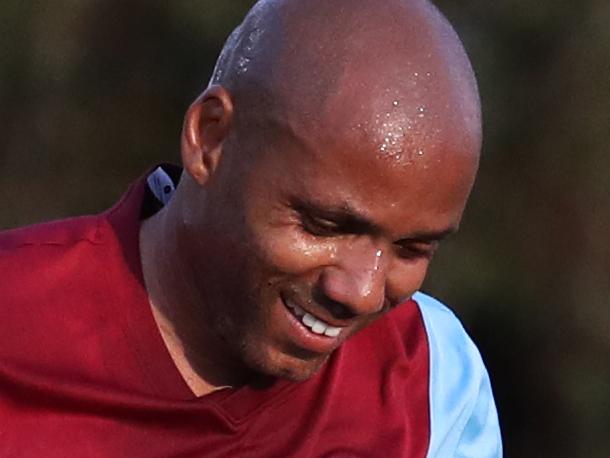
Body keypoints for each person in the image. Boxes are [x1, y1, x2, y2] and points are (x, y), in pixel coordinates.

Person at [0, 0, 502, 456]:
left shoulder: (431, 380)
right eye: (324, 225)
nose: (363, 292)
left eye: (412, 249)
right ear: (210, 138)